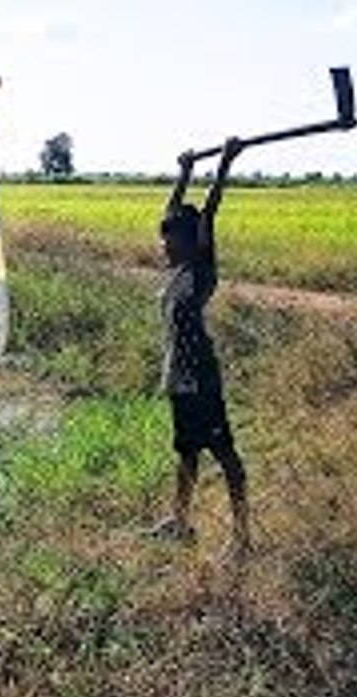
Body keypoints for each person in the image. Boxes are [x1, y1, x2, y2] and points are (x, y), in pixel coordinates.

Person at [151, 137, 252, 558]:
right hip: (180, 381)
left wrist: (225, 163)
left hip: (202, 380)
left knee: (224, 453)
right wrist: (185, 172)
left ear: (192, 243)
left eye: (171, 241)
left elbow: (208, 213)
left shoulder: (199, 271)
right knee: (186, 453)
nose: (164, 246)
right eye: (164, 240)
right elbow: (170, 215)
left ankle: (243, 538)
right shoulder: (175, 273)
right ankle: (180, 522)